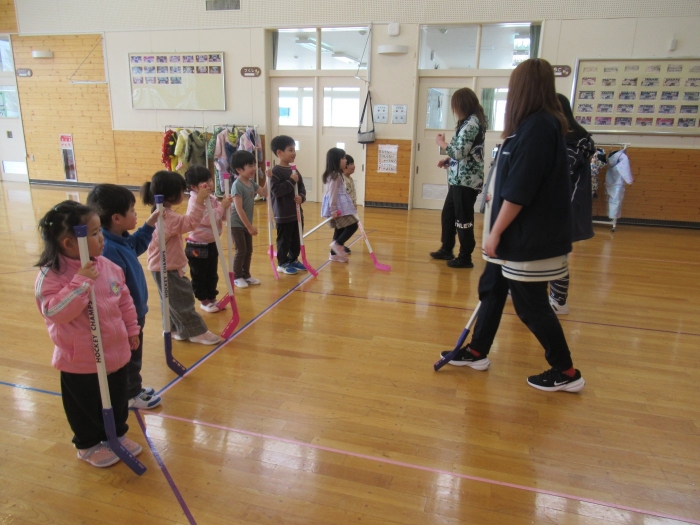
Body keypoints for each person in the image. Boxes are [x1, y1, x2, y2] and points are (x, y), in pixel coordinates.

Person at [439, 58, 585, 393]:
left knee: (530, 304)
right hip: (511, 236)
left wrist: (495, 231)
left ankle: (566, 371)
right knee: (491, 289)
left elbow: (521, 190)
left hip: (525, 238)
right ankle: (478, 351)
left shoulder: (539, 127)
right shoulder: (529, 126)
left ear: (523, 89)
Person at [35, 200, 143, 468]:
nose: (102, 237)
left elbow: (124, 299)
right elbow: (55, 312)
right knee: (85, 405)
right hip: (81, 360)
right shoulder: (52, 275)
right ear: (70, 243)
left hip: (115, 352)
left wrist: (132, 329)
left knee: (117, 398)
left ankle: (116, 434)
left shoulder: (108, 266)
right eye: (94, 233)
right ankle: (88, 444)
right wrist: (81, 282)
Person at [86, 184, 162, 410]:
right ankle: (130, 394)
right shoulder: (109, 248)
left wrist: (149, 224)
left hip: (134, 312)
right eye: (132, 210)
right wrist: (126, 319)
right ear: (117, 218)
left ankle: (133, 388)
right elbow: (112, 290)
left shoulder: (119, 239)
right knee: (130, 355)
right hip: (126, 315)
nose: (135, 214)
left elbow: (136, 244)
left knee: (134, 353)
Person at [142, 171, 221, 345]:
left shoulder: (161, 212)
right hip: (166, 267)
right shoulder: (167, 216)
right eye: (181, 191)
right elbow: (191, 223)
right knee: (182, 299)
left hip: (162, 266)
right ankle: (196, 332)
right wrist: (199, 202)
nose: (183, 194)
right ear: (172, 195)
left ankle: (173, 328)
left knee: (169, 301)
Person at [548, 94, 596, 315]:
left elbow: (559, 179)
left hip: (563, 208)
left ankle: (559, 300)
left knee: (556, 255)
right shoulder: (571, 139)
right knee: (548, 252)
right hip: (565, 207)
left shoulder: (568, 143)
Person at [430, 87, 486, 268]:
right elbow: (465, 153)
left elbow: (460, 152)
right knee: (448, 214)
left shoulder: (472, 124)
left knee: (463, 219)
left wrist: (441, 143)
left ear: (461, 105)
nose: (454, 110)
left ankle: (465, 257)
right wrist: (449, 160)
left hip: (466, 181)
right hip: (459, 179)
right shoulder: (466, 122)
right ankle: (447, 248)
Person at [183, 165, 233, 312]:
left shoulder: (211, 198)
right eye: (204, 182)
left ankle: (212, 297)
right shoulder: (195, 201)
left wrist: (226, 206)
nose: (210, 184)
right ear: (194, 187)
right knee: (200, 275)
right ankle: (203, 300)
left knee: (212, 273)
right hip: (197, 245)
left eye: (210, 180)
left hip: (212, 242)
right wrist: (222, 207)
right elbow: (208, 219)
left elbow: (220, 216)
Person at [269, 135, 307, 275]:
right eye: (290, 150)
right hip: (283, 214)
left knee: (296, 239)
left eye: (294, 150)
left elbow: (302, 188)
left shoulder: (294, 170)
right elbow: (276, 191)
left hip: (296, 213)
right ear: (279, 152)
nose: (294, 153)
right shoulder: (275, 172)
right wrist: (291, 181)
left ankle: (293, 259)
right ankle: (282, 263)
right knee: (284, 240)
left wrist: (301, 197)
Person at [229, 150, 267, 287]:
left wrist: (268, 178)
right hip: (237, 224)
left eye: (254, 165)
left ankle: (246, 275)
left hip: (246, 224)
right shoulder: (237, 185)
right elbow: (239, 209)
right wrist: (249, 227)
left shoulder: (251, 183)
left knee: (248, 250)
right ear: (239, 170)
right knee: (241, 251)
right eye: (250, 166)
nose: (254, 168)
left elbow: (265, 192)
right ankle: (237, 276)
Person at [321, 148, 358, 263]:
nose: (345, 160)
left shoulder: (335, 174)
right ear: (336, 160)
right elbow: (332, 193)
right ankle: (338, 244)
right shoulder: (335, 176)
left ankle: (334, 255)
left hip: (340, 206)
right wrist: (333, 209)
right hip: (338, 207)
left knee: (340, 228)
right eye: (343, 158)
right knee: (353, 225)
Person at [342, 154, 358, 255]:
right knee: (344, 227)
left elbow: (352, 193)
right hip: (343, 208)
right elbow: (344, 195)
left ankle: (339, 244)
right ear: (344, 166)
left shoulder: (350, 179)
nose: (354, 166)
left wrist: (354, 203)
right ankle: (336, 246)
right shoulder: (342, 179)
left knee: (345, 227)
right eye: (351, 164)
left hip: (350, 208)